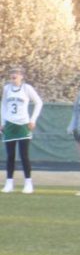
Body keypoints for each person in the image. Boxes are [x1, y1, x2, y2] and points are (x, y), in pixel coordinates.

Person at [1, 66, 43, 194]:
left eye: (17, 73)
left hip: (23, 124)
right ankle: (9, 183)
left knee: (24, 155)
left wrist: (33, 120)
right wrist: (2, 122)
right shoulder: (7, 88)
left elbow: (39, 102)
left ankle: (28, 183)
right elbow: (3, 105)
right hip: (10, 125)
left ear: (22, 76)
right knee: (10, 156)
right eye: (12, 73)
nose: (14, 75)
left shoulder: (26, 88)